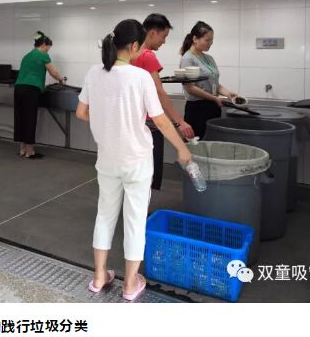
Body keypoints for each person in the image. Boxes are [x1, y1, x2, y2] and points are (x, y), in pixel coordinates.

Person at [76, 19, 191, 301]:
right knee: (135, 219)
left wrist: (108, 124)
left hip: (107, 158)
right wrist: (182, 149)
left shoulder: (94, 73)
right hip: (137, 160)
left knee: (105, 215)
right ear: (135, 45)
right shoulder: (139, 77)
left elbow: (81, 112)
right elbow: (160, 121)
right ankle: (130, 284)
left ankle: (99, 276)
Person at [132, 14, 194, 190]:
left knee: (135, 174)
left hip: (132, 123)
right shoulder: (147, 56)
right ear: (152, 33)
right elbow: (159, 91)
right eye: (163, 36)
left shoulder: (127, 55)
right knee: (149, 173)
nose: (164, 42)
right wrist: (179, 121)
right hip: (149, 125)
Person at [179, 21, 238, 139]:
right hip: (197, 109)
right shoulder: (188, 59)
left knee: (212, 142)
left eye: (212, 40)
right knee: (198, 144)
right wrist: (214, 98)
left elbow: (215, 83)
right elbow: (190, 87)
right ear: (195, 39)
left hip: (213, 107)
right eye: (207, 40)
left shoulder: (208, 58)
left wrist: (227, 93)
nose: (210, 43)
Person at [14, 31, 65, 159]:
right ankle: (30, 151)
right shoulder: (43, 55)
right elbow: (54, 72)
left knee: (20, 118)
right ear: (43, 45)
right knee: (30, 118)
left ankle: (22, 149)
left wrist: (41, 85)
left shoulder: (27, 56)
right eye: (48, 47)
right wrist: (61, 80)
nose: (48, 50)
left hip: (19, 89)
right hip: (30, 91)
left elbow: (29, 74)